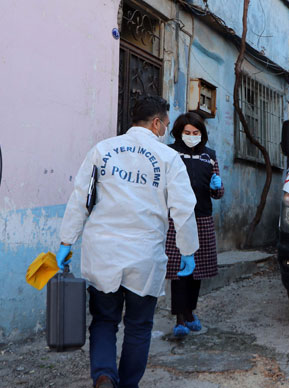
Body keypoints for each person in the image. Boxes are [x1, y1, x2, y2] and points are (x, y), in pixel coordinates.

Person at [55, 95, 199, 388]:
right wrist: (188, 250)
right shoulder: (169, 158)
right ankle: (128, 384)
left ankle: (105, 375)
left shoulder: (101, 150)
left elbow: (80, 198)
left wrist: (66, 242)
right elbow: (183, 209)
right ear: (156, 122)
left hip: (102, 252)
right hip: (143, 255)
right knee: (138, 326)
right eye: (166, 124)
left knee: (104, 321)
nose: (166, 130)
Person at [165, 112, 224, 338]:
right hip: (176, 219)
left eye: (196, 133)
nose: (191, 136)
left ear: (202, 134)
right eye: (187, 133)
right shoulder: (170, 153)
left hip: (201, 217)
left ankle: (190, 313)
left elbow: (217, 193)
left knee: (196, 269)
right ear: (179, 133)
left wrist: (217, 186)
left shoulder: (209, 156)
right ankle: (179, 318)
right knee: (180, 270)